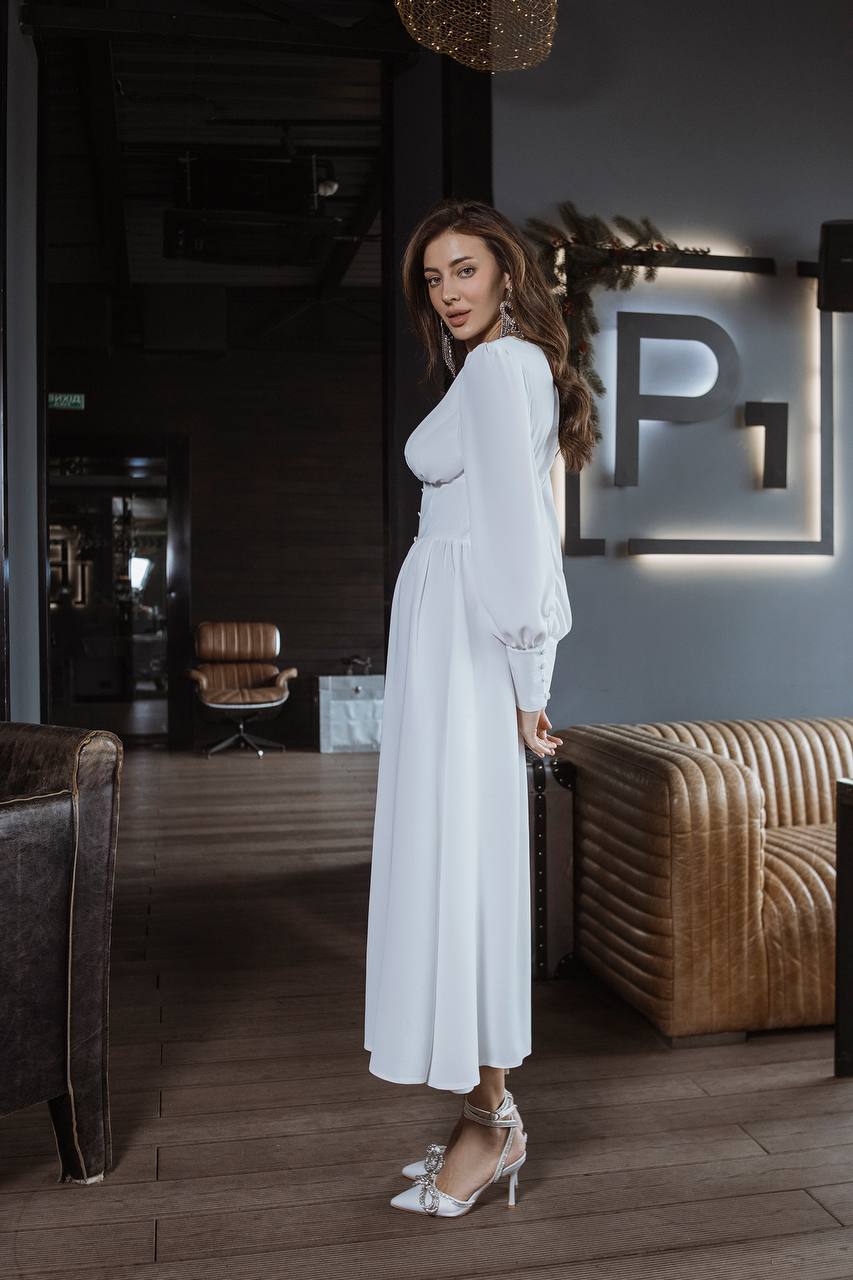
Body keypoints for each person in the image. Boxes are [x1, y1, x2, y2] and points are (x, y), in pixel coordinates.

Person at [363, 198, 598, 1217]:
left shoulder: (503, 368)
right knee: (455, 864)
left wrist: (527, 689)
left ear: (508, 273)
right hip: (446, 645)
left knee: (468, 868)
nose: (447, 292)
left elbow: (520, 536)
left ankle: (491, 1121)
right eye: (432, 278)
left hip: (468, 651)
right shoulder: (494, 368)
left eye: (464, 270)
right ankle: (483, 1109)